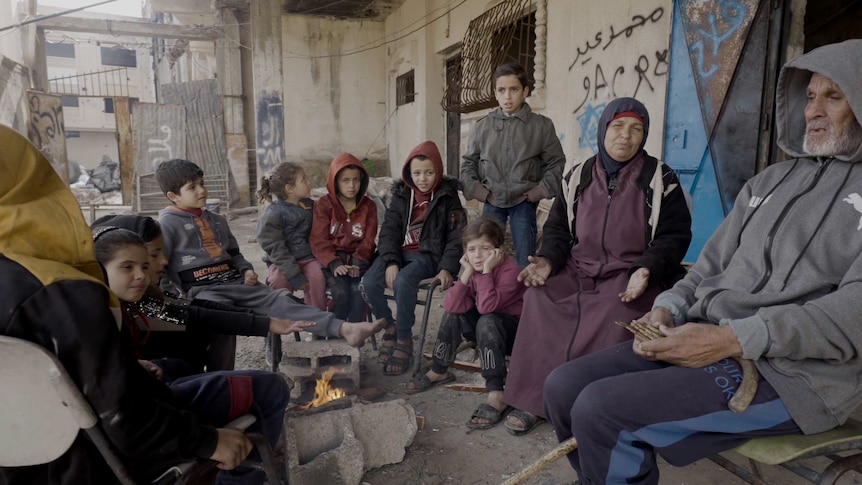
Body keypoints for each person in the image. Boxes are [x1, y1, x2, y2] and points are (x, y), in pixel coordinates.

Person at [543, 39, 862, 485]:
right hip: (708, 338)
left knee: (602, 411)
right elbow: (710, 265)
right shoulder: (769, 182)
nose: (813, 110)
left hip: (796, 376)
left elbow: (852, 316)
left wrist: (731, 339)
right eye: (809, 96)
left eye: (834, 95)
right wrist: (670, 307)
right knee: (563, 387)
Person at [0, 123, 281, 484]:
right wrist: (207, 440)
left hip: (24, 465)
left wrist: (262, 320)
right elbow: (124, 418)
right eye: (135, 263)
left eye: (149, 263)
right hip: (100, 461)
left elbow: (189, 313)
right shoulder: (62, 291)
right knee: (258, 384)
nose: (156, 268)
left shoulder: (139, 302)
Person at [503, 97, 692, 436]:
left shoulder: (661, 180)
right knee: (540, 297)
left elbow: (674, 236)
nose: (626, 136)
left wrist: (646, 269)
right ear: (604, 129)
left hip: (629, 272)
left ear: (644, 135)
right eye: (618, 126)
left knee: (613, 311)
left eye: (636, 129)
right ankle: (537, 400)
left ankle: (593, 409)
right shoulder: (578, 175)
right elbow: (559, 228)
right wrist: (548, 260)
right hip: (578, 268)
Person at [155, 158, 384, 355]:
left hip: (238, 284)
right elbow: (159, 269)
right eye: (192, 187)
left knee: (281, 299)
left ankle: (345, 329)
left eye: (202, 184)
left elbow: (235, 254)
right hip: (205, 291)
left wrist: (245, 270)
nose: (202, 191)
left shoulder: (217, 220)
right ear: (173, 196)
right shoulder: (166, 225)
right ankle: (220, 374)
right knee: (218, 320)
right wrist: (174, 298)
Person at [91, 213, 316, 380]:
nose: (164, 261)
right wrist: (264, 322)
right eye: (154, 254)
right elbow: (198, 315)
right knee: (268, 385)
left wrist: (265, 318)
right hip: (175, 392)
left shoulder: (144, 301)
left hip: (182, 381)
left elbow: (198, 308)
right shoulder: (130, 309)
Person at [406, 216, 525, 429]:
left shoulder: (511, 272)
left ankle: (496, 391)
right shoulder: (472, 269)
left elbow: (488, 307)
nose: (478, 256)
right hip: (485, 330)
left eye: (485, 248)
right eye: (471, 249)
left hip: (512, 336)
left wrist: (486, 271)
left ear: (499, 250)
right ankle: (439, 369)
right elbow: (451, 306)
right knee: (456, 313)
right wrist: (466, 273)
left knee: (487, 320)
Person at [359, 141, 466, 375]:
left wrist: (447, 268)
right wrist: (391, 261)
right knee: (367, 283)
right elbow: (389, 231)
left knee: (403, 282)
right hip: (398, 252)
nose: (423, 179)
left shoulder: (448, 198)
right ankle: (389, 325)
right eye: (417, 173)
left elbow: (456, 238)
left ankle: (405, 338)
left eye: (429, 172)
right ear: (409, 173)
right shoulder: (400, 195)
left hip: (426, 255)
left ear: (438, 170)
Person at [460, 61, 566, 268]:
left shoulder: (541, 126)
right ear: (495, 93)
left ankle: (524, 298)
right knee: (486, 256)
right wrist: (482, 193)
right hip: (492, 200)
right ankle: (488, 296)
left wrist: (537, 193)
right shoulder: (483, 126)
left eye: (514, 89)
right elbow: (468, 164)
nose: (507, 97)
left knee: (526, 257)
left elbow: (556, 162)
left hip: (523, 203)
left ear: (525, 91)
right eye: (502, 90)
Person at [310, 153, 378, 322]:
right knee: (340, 292)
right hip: (332, 261)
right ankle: (336, 330)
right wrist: (334, 264)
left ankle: (355, 332)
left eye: (356, 180)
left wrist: (358, 262)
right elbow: (318, 240)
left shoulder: (369, 206)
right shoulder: (324, 205)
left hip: (359, 260)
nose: (352, 185)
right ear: (335, 181)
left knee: (358, 291)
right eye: (345, 180)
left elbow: (369, 239)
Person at [256, 162, 326, 311]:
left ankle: (317, 321)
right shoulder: (273, 213)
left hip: (308, 258)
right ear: (290, 189)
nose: (309, 182)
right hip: (282, 262)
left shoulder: (310, 206)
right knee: (278, 282)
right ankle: (282, 319)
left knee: (317, 278)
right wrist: (294, 275)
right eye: (304, 180)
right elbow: (275, 247)